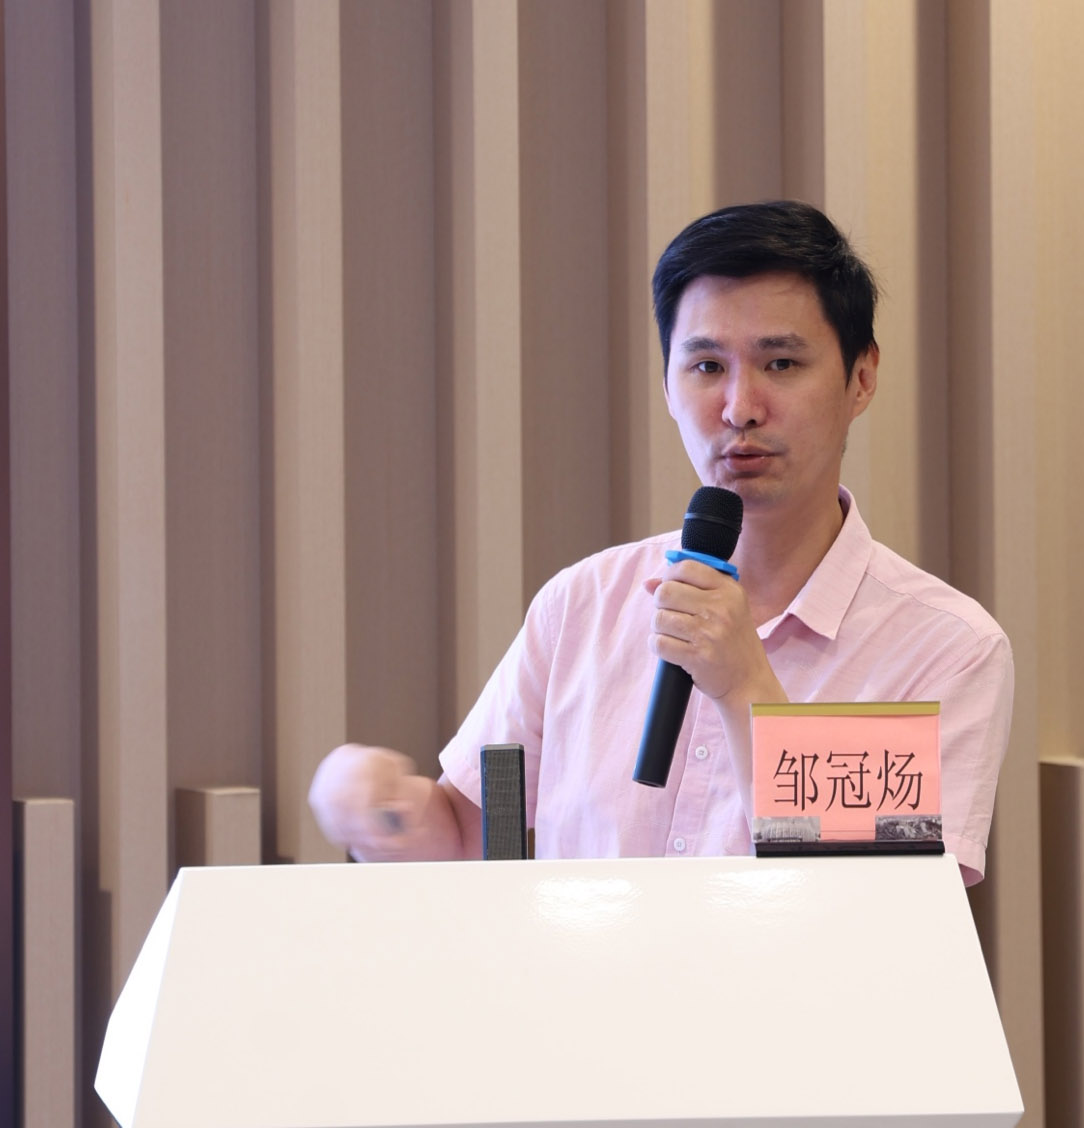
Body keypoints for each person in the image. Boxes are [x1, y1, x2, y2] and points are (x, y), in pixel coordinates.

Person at [308, 200, 1014, 884]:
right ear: (669, 387)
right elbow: (465, 839)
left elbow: (882, 906)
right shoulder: (583, 604)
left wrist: (744, 687)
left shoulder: (944, 647)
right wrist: (381, 812)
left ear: (861, 379)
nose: (739, 408)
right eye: (706, 367)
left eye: (781, 364)